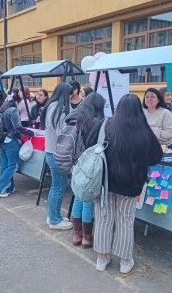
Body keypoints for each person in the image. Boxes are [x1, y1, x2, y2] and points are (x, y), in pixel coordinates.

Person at [86, 94, 163, 273]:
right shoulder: (143, 130)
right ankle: (125, 261)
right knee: (125, 222)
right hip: (131, 186)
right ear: (139, 110)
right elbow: (156, 157)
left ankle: (102, 258)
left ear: (118, 108)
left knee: (103, 219)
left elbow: (89, 145)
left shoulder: (105, 125)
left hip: (104, 183)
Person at [69, 93, 106, 248]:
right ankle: (86, 237)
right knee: (89, 200)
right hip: (91, 164)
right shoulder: (98, 122)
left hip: (77, 162)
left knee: (78, 197)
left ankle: (76, 234)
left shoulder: (77, 118)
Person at [41, 82, 74, 230]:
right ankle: (55, 220)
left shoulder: (50, 106)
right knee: (58, 188)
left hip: (50, 152)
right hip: (58, 155)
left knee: (55, 187)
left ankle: (52, 216)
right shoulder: (60, 110)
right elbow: (64, 134)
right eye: (70, 94)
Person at [0, 93, 34, 197]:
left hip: (1, 140)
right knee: (11, 166)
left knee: (4, 166)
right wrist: (30, 132)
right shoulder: (13, 110)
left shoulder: (3, 109)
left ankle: (9, 187)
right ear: (16, 102)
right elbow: (18, 126)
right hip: (11, 141)